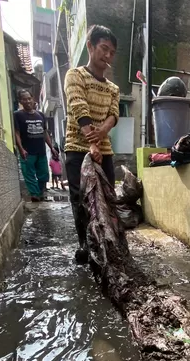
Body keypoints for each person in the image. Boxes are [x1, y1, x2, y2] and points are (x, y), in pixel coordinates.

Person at [63, 25, 120, 263]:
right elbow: (78, 106)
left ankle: (109, 244)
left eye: (111, 52)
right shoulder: (75, 75)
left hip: (104, 151)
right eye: (103, 49)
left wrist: (102, 134)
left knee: (107, 199)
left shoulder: (113, 88)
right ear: (90, 46)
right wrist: (91, 143)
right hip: (77, 148)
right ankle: (86, 246)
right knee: (81, 200)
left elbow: (113, 114)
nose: (107, 56)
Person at [14, 90, 60, 202]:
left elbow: (45, 133)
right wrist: (21, 149)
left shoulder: (40, 115)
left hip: (41, 151)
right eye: (24, 99)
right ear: (20, 101)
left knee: (44, 174)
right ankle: (34, 194)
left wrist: (51, 147)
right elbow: (16, 133)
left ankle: (40, 192)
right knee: (29, 174)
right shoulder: (18, 115)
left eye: (29, 98)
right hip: (27, 151)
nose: (28, 101)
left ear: (32, 98)